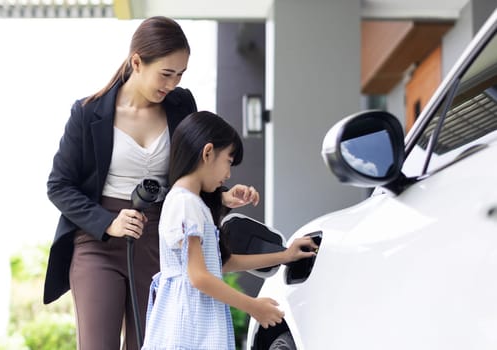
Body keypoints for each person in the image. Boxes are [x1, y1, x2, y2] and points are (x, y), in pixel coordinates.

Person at [43, 16, 261, 350]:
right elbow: (59, 185)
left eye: (180, 74)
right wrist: (109, 222)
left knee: (153, 342)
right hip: (97, 241)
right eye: (166, 73)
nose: (172, 84)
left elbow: (193, 166)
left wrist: (220, 195)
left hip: (161, 238)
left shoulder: (181, 106)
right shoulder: (88, 114)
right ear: (136, 62)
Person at [141, 111, 319, 350]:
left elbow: (219, 265)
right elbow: (199, 277)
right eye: (228, 161)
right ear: (207, 153)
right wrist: (253, 306)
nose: (228, 174)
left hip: (194, 324)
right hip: (191, 327)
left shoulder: (191, 203)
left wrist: (285, 255)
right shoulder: (186, 204)